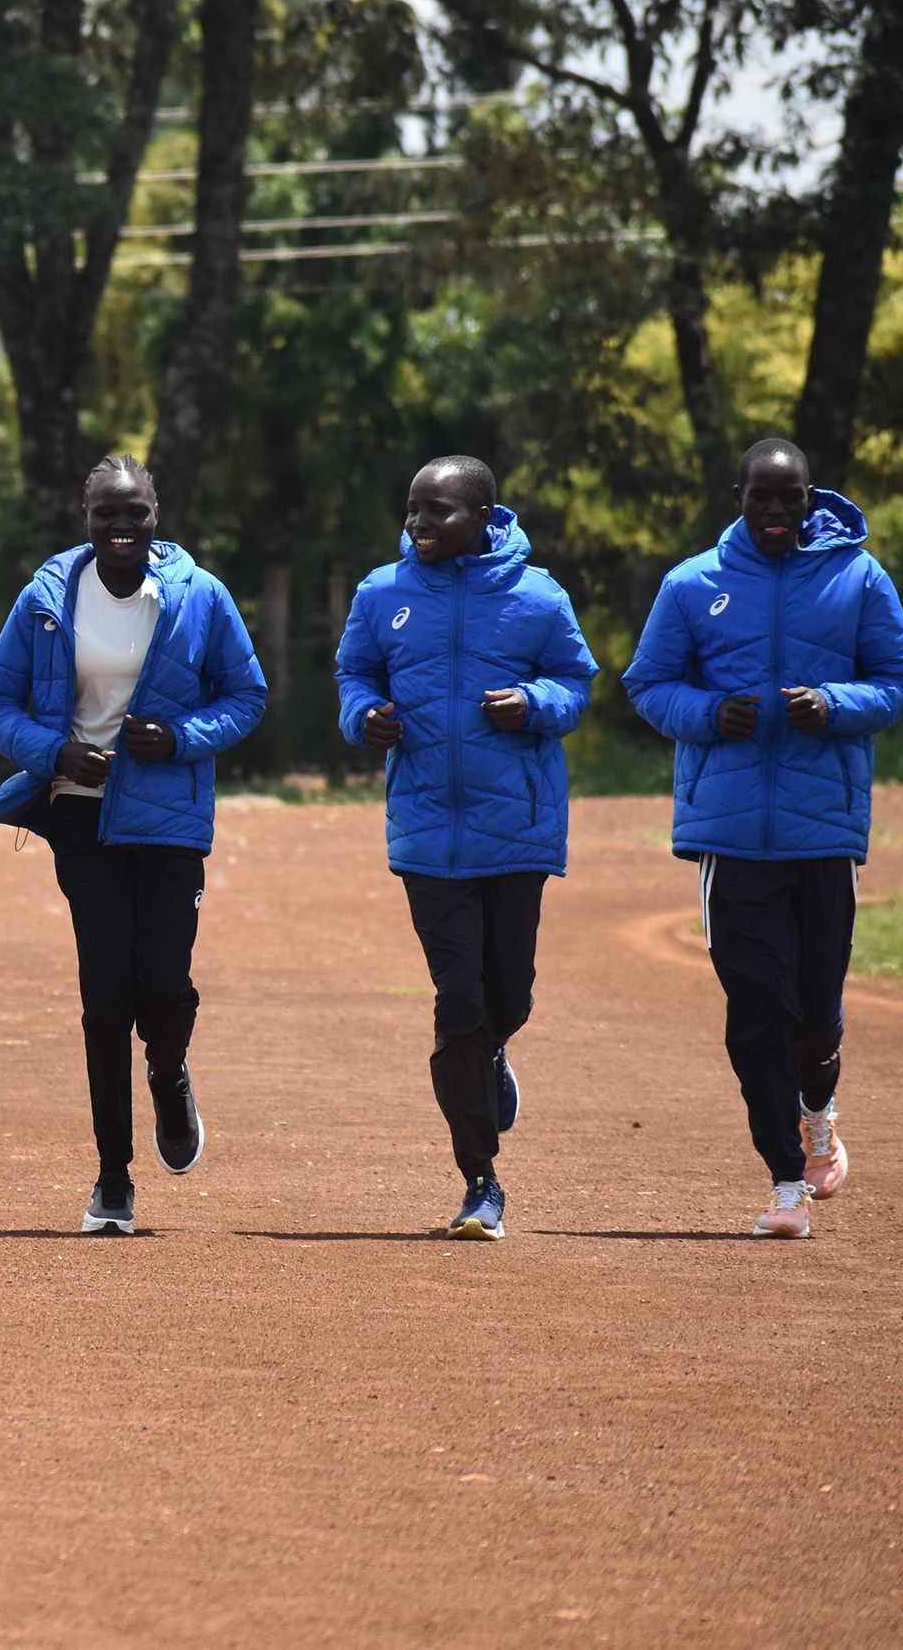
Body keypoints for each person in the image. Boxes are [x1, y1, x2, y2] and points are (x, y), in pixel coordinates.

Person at [623, 438, 903, 1239]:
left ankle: (817, 1109)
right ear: (739, 496)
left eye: (791, 498)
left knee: (816, 1014)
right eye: (762, 497)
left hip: (824, 830)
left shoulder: (858, 577)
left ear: (811, 497)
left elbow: (901, 682)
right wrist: (708, 715)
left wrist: (833, 703)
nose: (777, 512)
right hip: (729, 834)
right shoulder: (693, 584)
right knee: (760, 1008)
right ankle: (785, 1181)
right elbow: (648, 684)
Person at [0, 457, 268, 1235]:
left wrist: (180, 737)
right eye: (107, 513)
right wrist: (52, 752)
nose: (121, 526)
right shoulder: (45, 599)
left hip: (168, 816)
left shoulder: (200, 597)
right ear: (86, 516)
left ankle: (169, 1072)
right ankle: (112, 1180)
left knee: (163, 989)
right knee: (104, 999)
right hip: (83, 818)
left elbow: (246, 695)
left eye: (135, 512)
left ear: (157, 514)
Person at [336, 456, 596, 1242]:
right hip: (425, 834)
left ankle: (494, 1051)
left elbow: (576, 682)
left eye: (438, 512)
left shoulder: (537, 595)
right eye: (413, 510)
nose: (419, 524)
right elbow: (354, 672)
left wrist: (536, 702)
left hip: (515, 830)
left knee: (506, 996)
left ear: (484, 516)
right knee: (460, 1000)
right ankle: (481, 1180)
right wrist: (364, 718)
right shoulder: (383, 592)